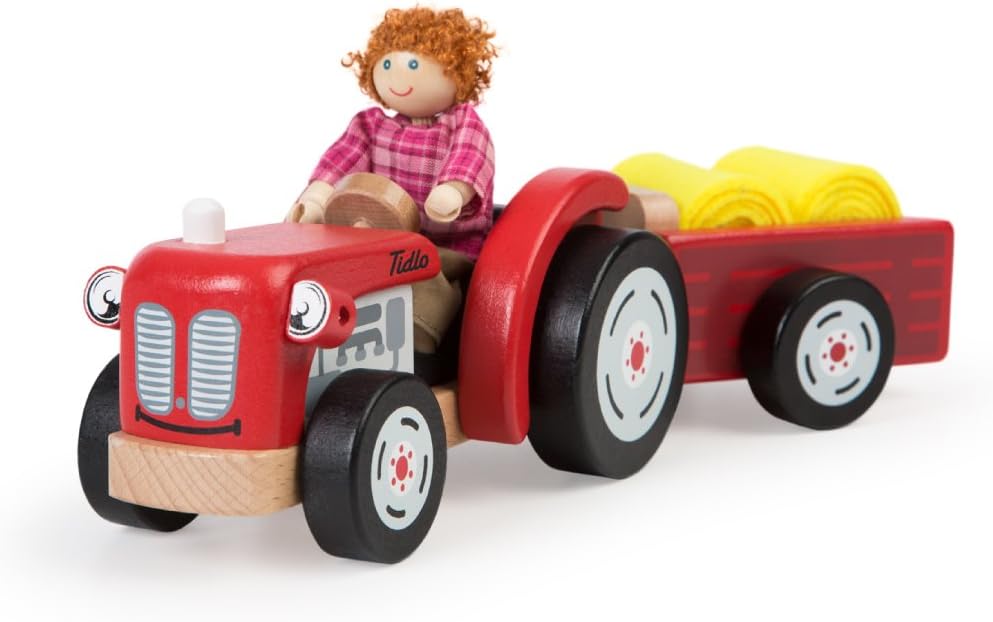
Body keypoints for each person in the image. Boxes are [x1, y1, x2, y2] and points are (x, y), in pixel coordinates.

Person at [287, 7, 497, 353]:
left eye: (413, 64)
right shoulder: (371, 126)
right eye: (386, 64)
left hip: (441, 245)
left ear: (456, 70)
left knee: (425, 276)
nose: (396, 75)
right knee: (333, 267)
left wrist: (452, 190)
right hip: (374, 240)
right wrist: (316, 198)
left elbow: (470, 155)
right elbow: (340, 162)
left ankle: (419, 335)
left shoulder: (461, 122)